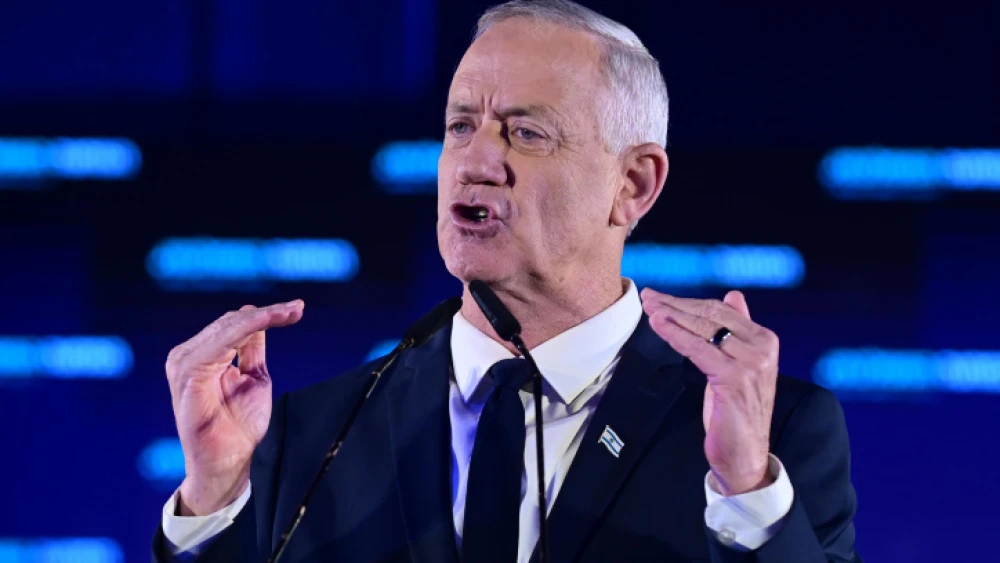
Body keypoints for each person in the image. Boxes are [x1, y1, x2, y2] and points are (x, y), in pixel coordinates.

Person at [153, 1, 860, 561]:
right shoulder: (310, 435)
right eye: (461, 126)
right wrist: (212, 503)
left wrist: (747, 494)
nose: (474, 161)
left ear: (633, 184)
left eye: (525, 133)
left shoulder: (770, 435)